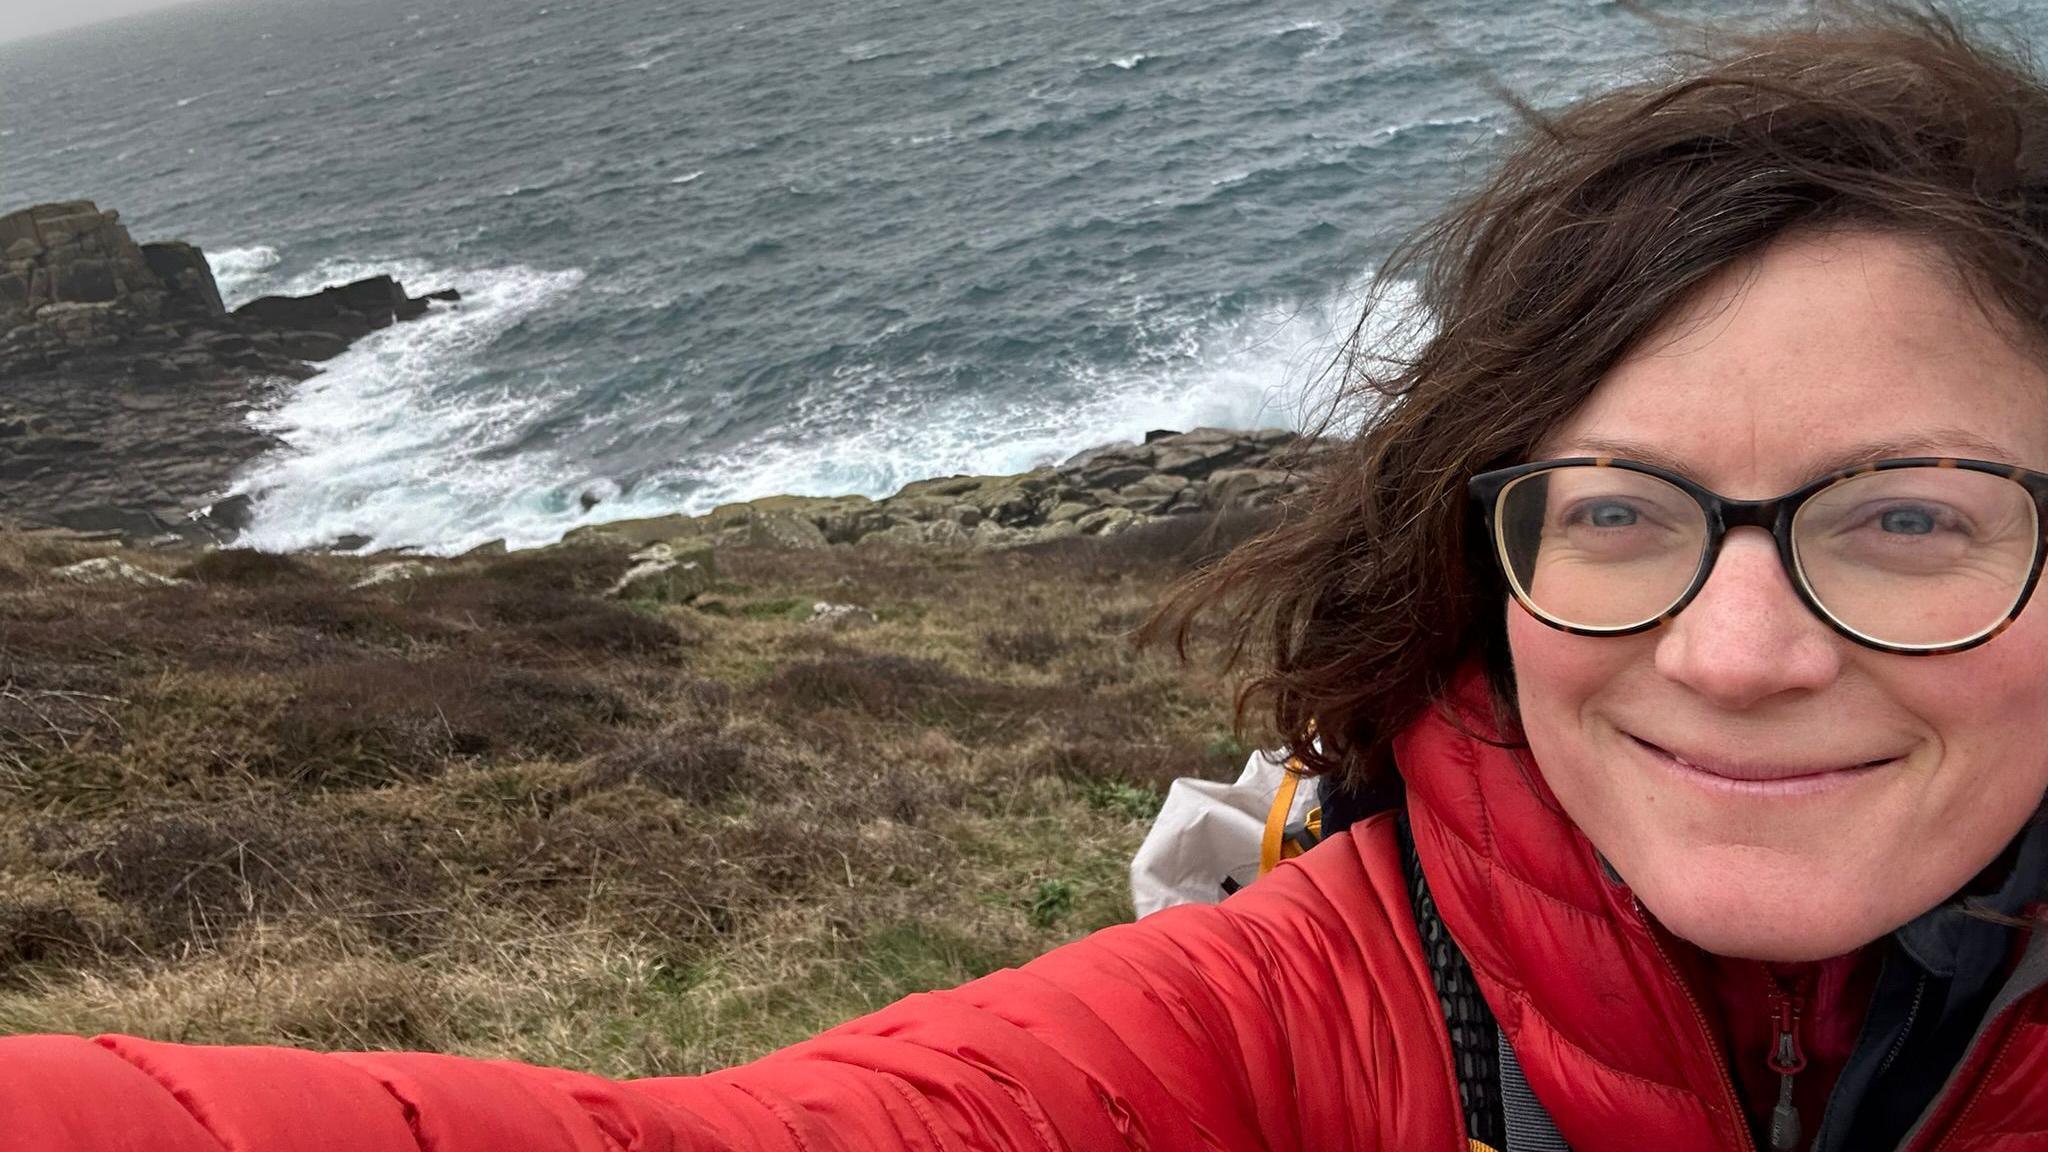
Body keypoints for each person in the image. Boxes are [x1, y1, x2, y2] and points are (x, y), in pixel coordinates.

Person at [11, 8, 2048, 1151]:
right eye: (1617, 514)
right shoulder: (1294, 1013)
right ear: (1483, 559)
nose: (1742, 650)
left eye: (1909, 518)